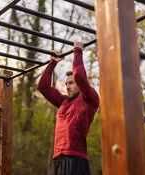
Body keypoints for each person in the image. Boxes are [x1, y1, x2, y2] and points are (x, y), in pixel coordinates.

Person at [37, 41, 99, 175]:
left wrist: (77, 51)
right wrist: (52, 63)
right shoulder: (63, 101)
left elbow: (80, 76)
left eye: (71, 83)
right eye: (66, 84)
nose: (67, 86)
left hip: (76, 159)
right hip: (58, 159)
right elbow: (43, 87)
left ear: (80, 85)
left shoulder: (90, 98)